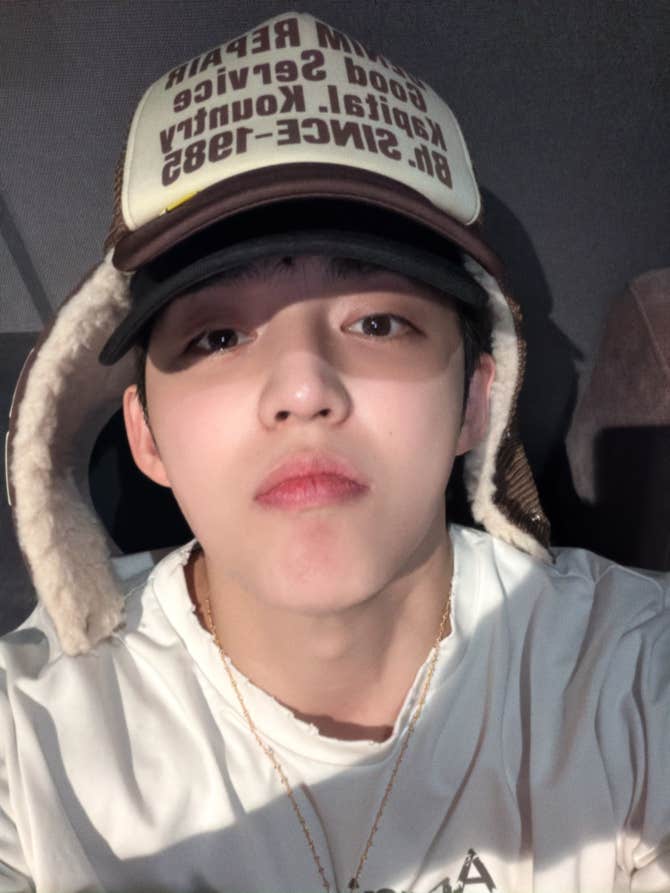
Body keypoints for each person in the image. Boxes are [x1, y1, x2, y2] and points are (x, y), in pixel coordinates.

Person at [2, 10, 669, 893]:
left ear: (476, 402)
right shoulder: (31, 746)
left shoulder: (627, 678)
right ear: (146, 435)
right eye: (217, 337)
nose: (303, 385)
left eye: (378, 323)